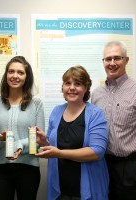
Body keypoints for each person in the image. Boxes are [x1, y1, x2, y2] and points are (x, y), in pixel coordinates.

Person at [91, 41, 136, 200]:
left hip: (131, 168)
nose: (112, 63)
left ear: (126, 60)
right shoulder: (96, 94)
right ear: (103, 62)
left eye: (117, 58)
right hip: (102, 166)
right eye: (107, 59)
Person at [35, 66, 109, 200]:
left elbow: (97, 151)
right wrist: (44, 142)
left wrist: (59, 153)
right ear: (63, 87)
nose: (72, 87)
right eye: (67, 83)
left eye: (78, 84)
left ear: (86, 88)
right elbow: (54, 145)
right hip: (60, 189)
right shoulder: (56, 111)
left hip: (87, 189)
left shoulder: (95, 114)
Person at [0, 56, 45, 200]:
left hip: (28, 168)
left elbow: (38, 139)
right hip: (1, 168)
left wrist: (18, 145)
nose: (15, 76)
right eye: (11, 71)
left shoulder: (36, 103)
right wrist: (0, 139)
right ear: (6, 75)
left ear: (27, 77)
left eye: (20, 72)